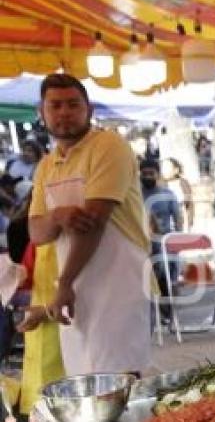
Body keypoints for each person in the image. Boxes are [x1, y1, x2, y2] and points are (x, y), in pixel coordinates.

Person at [25, 73, 151, 376]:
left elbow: (93, 223)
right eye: (55, 105)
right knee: (83, 380)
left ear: (89, 110)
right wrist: (57, 216)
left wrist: (65, 283)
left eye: (73, 104)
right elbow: (36, 233)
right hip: (73, 288)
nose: (64, 112)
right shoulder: (46, 165)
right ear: (42, 113)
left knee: (120, 378)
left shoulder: (110, 146)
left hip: (118, 281)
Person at [140, 159, 183, 319]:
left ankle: (167, 312)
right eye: (144, 174)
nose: (148, 177)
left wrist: (178, 239)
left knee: (165, 269)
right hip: (142, 242)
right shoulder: (135, 194)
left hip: (164, 242)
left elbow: (178, 220)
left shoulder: (167, 195)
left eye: (151, 174)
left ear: (157, 175)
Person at [161, 157, 194, 230]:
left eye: (167, 168)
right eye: (163, 168)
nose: (164, 171)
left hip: (181, 219)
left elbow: (189, 204)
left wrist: (189, 222)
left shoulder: (183, 183)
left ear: (176, 170)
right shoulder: (160, 184)